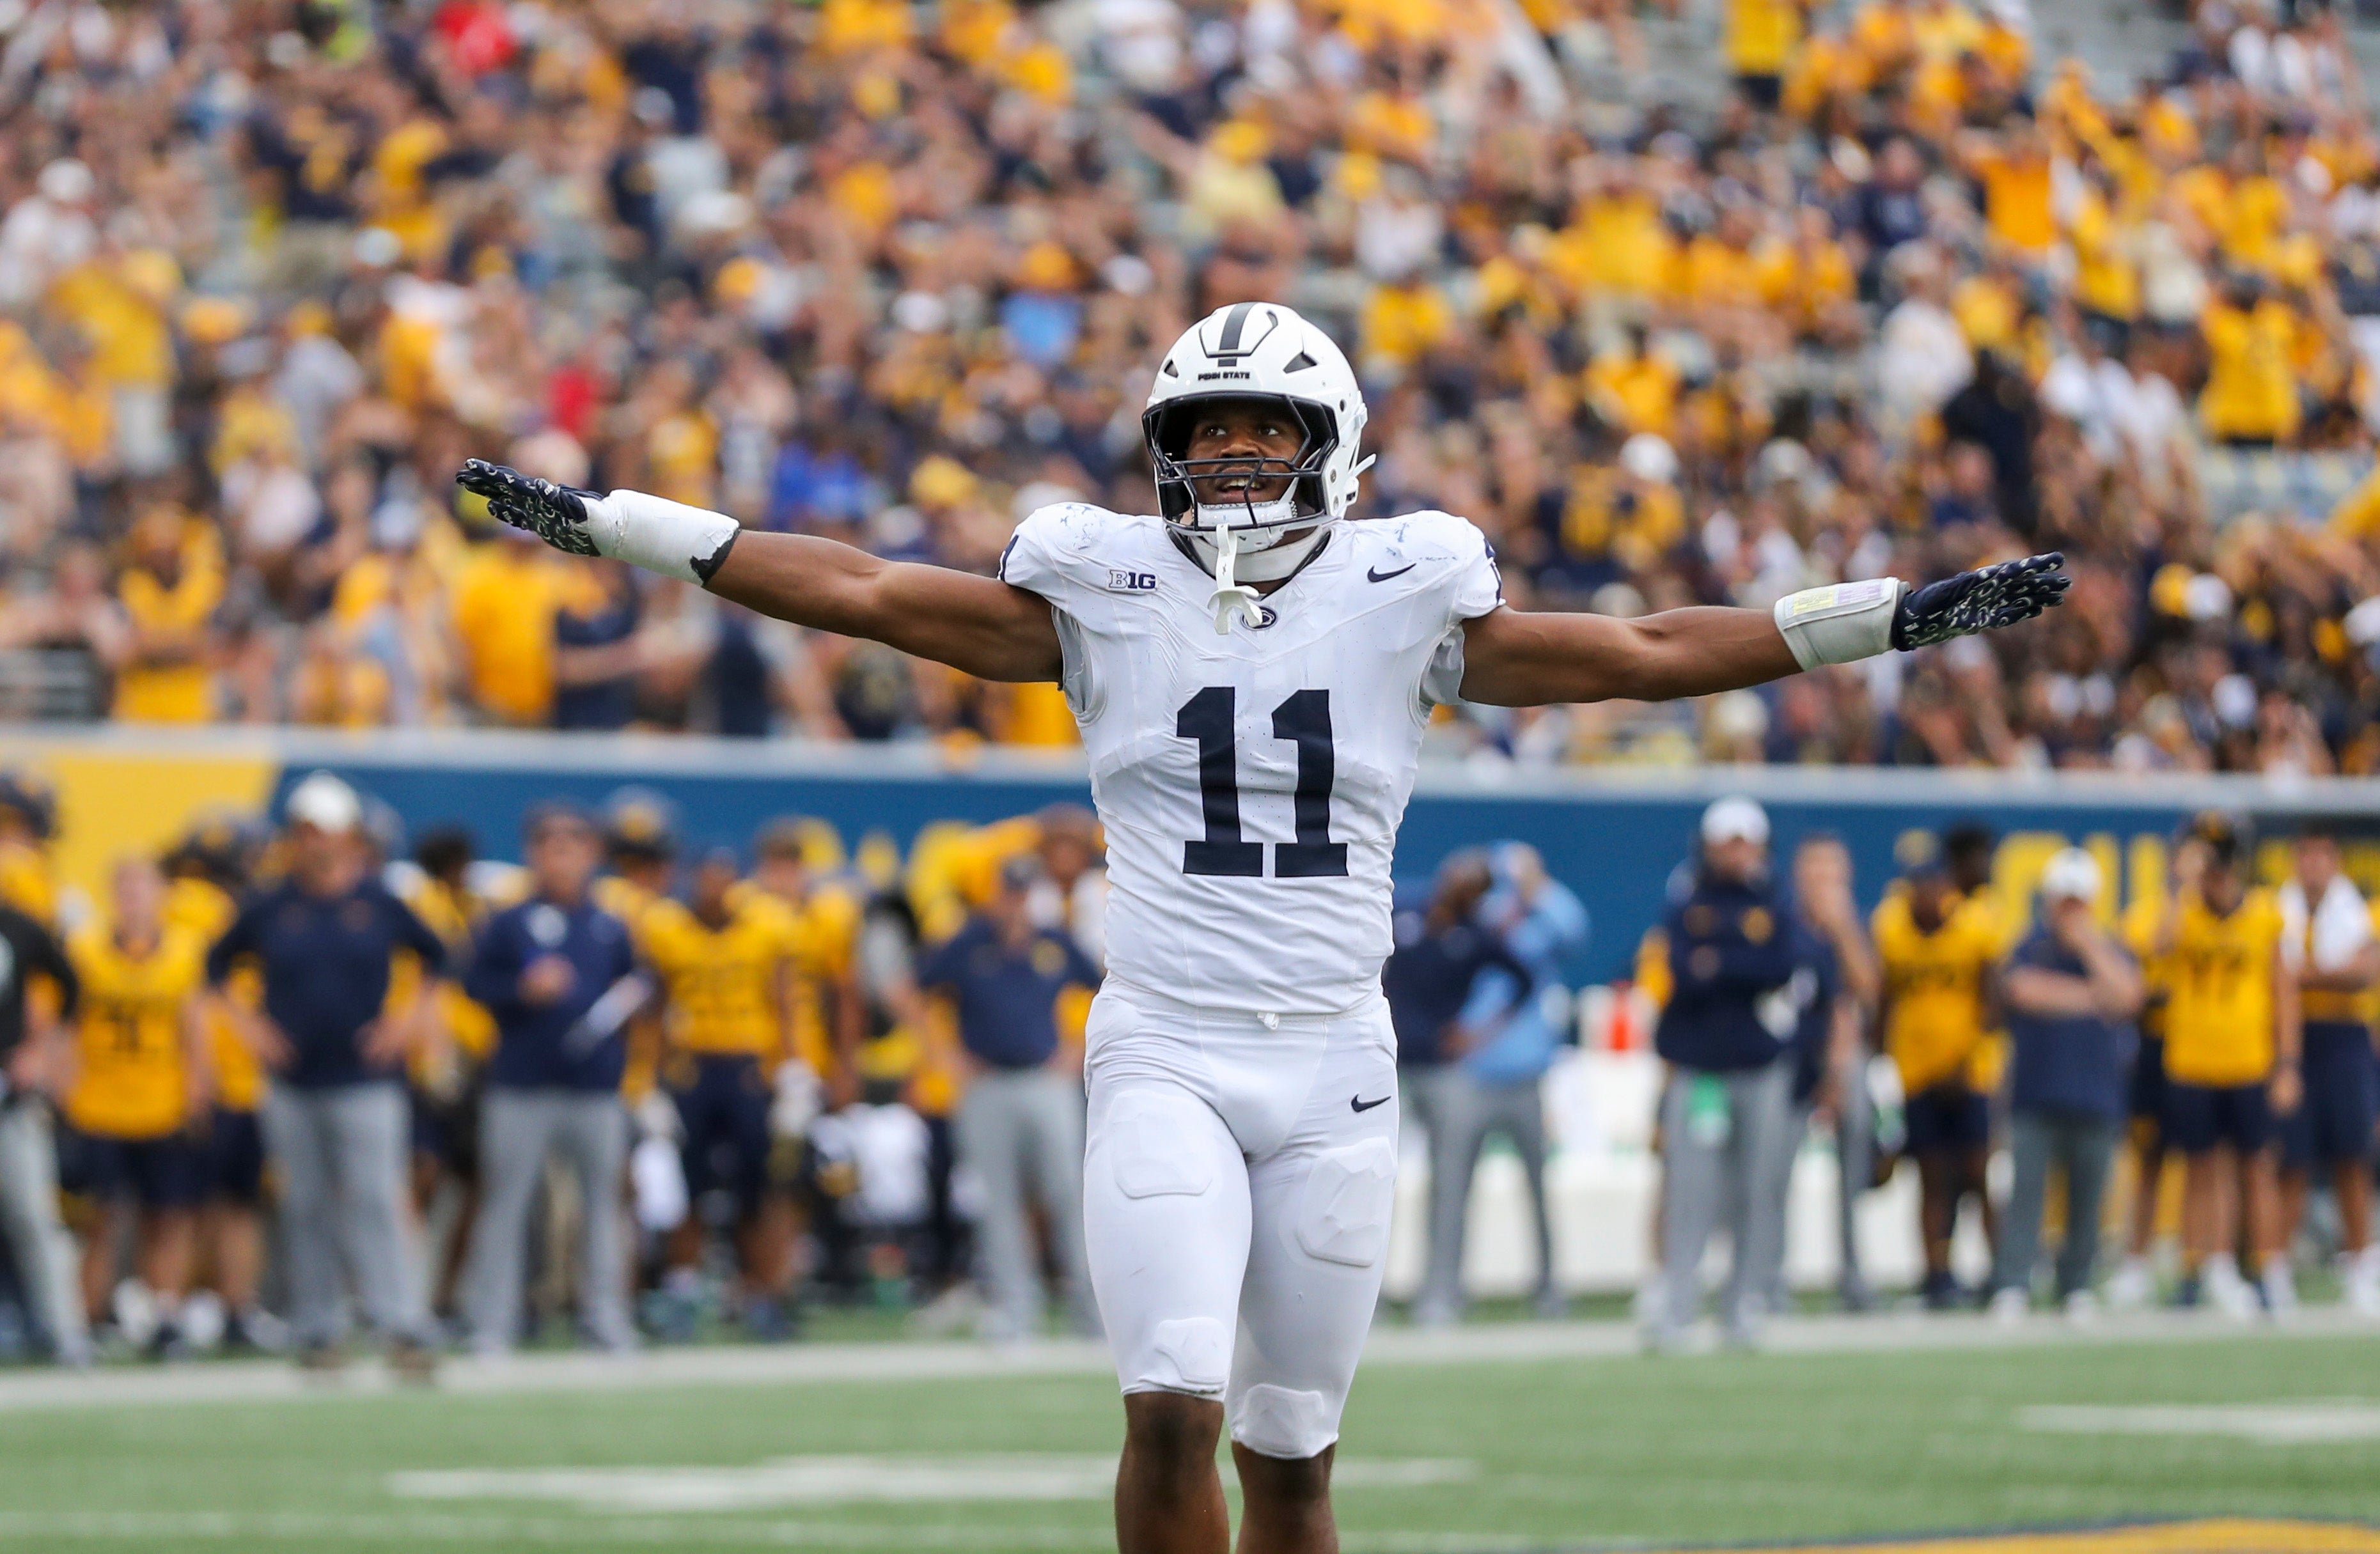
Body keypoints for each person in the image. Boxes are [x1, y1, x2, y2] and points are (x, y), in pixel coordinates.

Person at [462, 299, 2066, 1553]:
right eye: (1204, 431)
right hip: (1164, 1044)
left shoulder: (1407, 589)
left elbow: (1646, 648)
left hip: (1335, 1067)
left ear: (1333, 443)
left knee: (1289, 1454)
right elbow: (866, 589)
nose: (1230, 458)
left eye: (1261, 429)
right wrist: (618, 523)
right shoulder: (1095, 589)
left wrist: (1894, 615)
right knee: (1169, 1401)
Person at [204, 772, 448, 1376]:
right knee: (306, 1206)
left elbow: (439, 961)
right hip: (292, 1084)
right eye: (306, 832)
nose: (316, 843)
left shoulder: (380, 902)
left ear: (348, 837)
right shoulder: (270, 904)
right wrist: (251, 1027)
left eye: (326, 831)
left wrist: (404, 1025)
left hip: (366, 1081)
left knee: (375, 1200)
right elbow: (214, 969)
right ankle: (319, 1329)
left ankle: (400, 1322)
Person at [458, 805, 641, 1355]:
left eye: (571, 845)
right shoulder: (508, 921)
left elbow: (634, 987)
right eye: (548, 845)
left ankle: (605, 1315)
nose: (559, 857)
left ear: (591, 855)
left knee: (603, 1205)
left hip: (594, 1086)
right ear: (533, 854)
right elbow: (472, 983)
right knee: (507, 1202)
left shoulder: (609, 925)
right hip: (522, 1084)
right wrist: (521, 989)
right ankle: (493, 1320)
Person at [906, 853, 1104, 1340]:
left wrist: (1075, 1049)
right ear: (997, 894)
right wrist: (943, 1054)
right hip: (986, 1083)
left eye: (1023, 892)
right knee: (999, 1200)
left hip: (1045, 1081)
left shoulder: (1053, 942)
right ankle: (1017, 1312)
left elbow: (1106, 985)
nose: (1015, 903)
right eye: (1009, 892)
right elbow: (913, 989)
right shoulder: (970, 942)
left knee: (1067, 1193)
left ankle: (1092, 1312)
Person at [1643, 797, 1808, 1351]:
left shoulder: (1775, 899)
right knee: (1691, 1190)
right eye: (1728, 842)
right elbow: (1686, 969)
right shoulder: (1688, 895)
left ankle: (1743, 1305)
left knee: (1756, 1189)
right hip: (1701, 1066)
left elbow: (1781, 964)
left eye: (1746, 842)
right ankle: (1679, 1307)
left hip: (1759, 1065)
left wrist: (1723, 961)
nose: (1737, 853)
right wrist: (1738, 961)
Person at [640, 848, 804, 1339]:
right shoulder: (665, 926)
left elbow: (783, 999)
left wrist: (793, 1068)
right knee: (684, 1189)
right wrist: (646, 1079)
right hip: (691, 1068)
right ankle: (684, 1293)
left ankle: (760, 1293)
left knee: (760, 1187)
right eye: (706, 878)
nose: (714, 888)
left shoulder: (767, 925)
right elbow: (652, 1007)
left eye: (722, 878)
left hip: (748, 1068)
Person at [59, 858, 211, 1356]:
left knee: (167, 1218)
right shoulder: (84, 950)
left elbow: (194, 1029)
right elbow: (67, 1026)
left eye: (143, 887)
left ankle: (164, 1316)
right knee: (99, 1221)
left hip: (162, 1105)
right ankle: (89, 1318)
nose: (134, 898)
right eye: (124, 887)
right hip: (98, 1106)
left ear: (163, 894)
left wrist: (199, 1092)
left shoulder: (185, 951)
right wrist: (62, 1092)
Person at [2150, 813, 2300, 1316]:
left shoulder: (2263, 913)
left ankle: (2269, 1267)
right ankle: (2200, 1267)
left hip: (2248, 1062)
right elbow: (2159, 946)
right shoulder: (2183, 910)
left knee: (2258, 1167)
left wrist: (2288, 1064)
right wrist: (2181, 885)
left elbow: (2284, 994)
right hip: (2193, 1061)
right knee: (2199, 1169)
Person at [1381, 851, 1538, 1328]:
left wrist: (1478, 1032)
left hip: (1445, 1070)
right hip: (1386, 1065)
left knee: (1449, 1183)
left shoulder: (1478, 937)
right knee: (1370, 1179)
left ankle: (1441, 1292)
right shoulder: (1404, 909)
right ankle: (1368, 1297)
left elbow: (1525, 981)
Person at [1988, 849, 2144, 1320]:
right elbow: (2023, 990)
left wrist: (2091, 951)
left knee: (2088, 1196)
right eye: (2065, 901)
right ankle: (2013, 1281)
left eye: (2079, 902)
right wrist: (2092, 998)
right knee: (2026, 1195)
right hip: (2036, 1092)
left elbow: (2129, 997)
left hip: (2096, 1093)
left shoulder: (2108, 947)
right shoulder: (2030, 944)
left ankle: (2076, 1283)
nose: (2071, 912)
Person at [1452, 843, 1588, 1321]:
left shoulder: (1543, 919)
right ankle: (1446, 1290)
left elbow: (1576, 932)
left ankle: (1549, 1286)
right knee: (1455, 1189)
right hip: (1471, 1073)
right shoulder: (1479, 917)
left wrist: (1541, 889)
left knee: (1538, 1187)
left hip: (1528, 1072)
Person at [162, 816, 279, 1353]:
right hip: (218, 1078)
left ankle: (230, 1306)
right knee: (200, 1205)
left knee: (231, 1204)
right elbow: (204, 998)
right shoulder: (199, 912)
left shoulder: (213, 911)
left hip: (239, 1079)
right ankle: (190, 1308)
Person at [1874, 847, 2005, 1308]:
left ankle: (2001, 1273)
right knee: (1930, 1175)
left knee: (1976, 1172)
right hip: (1916, 1072)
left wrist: (1968, 1060)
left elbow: (1993, 997)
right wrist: (1880, 1061)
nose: (1929, 896)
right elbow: (1884, 997)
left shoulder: (1975, 926)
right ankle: (1937, 1274)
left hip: (1968, 1072)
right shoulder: (1891, 926)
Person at [2273, 827, 2378, 1315]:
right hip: (2294, 1041)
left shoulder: (2355, 909)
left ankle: (2360, 1265)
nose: (2312, 864)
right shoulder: (2279, 910)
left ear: (2334, 860)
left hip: (2343, 1040)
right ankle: (2276, 1271)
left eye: (2321, 854)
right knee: (2291, 1162)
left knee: (2350, 1158)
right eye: (2305, 853)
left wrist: (2306, 976)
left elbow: (2363, 970)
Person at [1779, 834, 1877, 1313]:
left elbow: (1867, 990)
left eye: (1831, 872)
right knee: (1774, 1170)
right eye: (1813, 871)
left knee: (1854, 1170)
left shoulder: (1854, 928)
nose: (1822, 883)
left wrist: (1842, 927)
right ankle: (1771, 1276)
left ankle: (1853, 1273)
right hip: (1793, 1057)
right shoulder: (1783, 925)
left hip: (1847, 1056)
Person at [0, 887, 84, 1365]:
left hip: (11, 1095)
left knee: (34, 1215)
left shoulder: (20, 924)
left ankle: (64, 1330)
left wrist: (40, 1049)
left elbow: (70, 985)